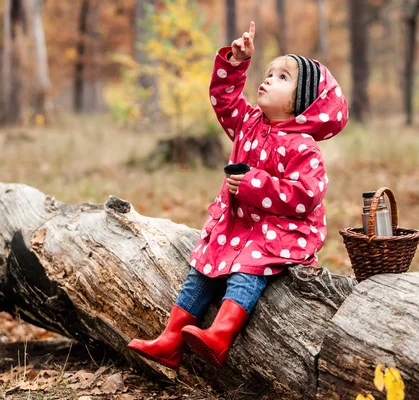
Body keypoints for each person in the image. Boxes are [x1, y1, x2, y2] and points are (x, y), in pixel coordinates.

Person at [127, 21, 348, 369]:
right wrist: (235, 62)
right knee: (202, 268)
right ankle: (171, 338)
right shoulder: (248, 123)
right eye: (269, 72)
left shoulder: (303, 147)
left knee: (248, 268)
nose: (269, 78)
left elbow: (306, 196)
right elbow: (225, 101)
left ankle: (220, 335)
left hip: (279, 232)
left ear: (301, 102)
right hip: (237, 224)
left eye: (283, 77)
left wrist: (252, 185)